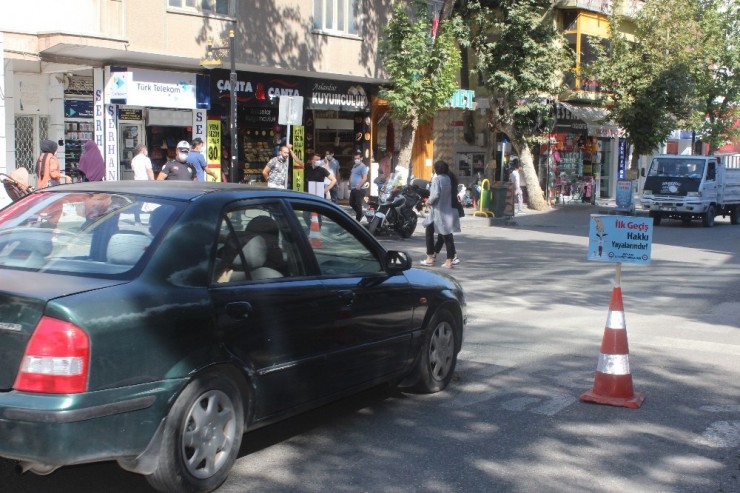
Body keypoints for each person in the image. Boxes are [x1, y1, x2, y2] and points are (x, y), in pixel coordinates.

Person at [420, 160, 460, 269]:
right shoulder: (448, 179)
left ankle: (431, 258)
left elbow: (435, 194)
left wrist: (429, 201)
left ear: (436, 169)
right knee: (447, 235)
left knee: (436, 234)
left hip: (437, 211)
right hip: (447, 210)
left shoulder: (437, 179)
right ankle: (448, 260)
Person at [348, 151, 368, 221]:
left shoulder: (363, 167)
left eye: (358, 158)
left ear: (361, 158)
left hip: (359, 189)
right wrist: (349, 183)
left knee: (358, 204)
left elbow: (365, 178)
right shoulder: (354, 166)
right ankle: (360, 213)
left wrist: (359, 186)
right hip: (353, 188)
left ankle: (358, 219)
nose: (356, 160)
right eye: (355, 158)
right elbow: (351, 175)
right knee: (351, 203)